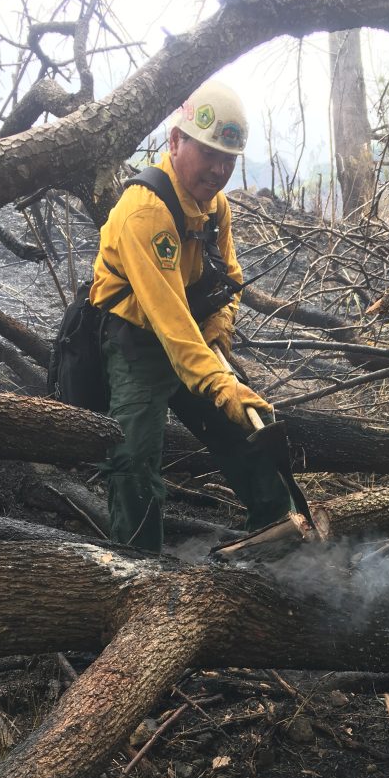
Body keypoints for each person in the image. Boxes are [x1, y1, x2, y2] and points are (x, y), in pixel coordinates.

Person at [89, 79, 292, 552]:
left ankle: (274, 542)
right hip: (138, 343)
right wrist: (219, 383)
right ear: (176, 141)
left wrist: (220, 336)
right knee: (134, 460)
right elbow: (168, 321)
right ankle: (138, 569)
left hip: (193, 341)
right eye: (209, 154)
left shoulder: (214, 205)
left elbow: (230, 277)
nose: (219, 169)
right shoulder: (145, 212)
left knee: (247, 428)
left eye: (228, 159)